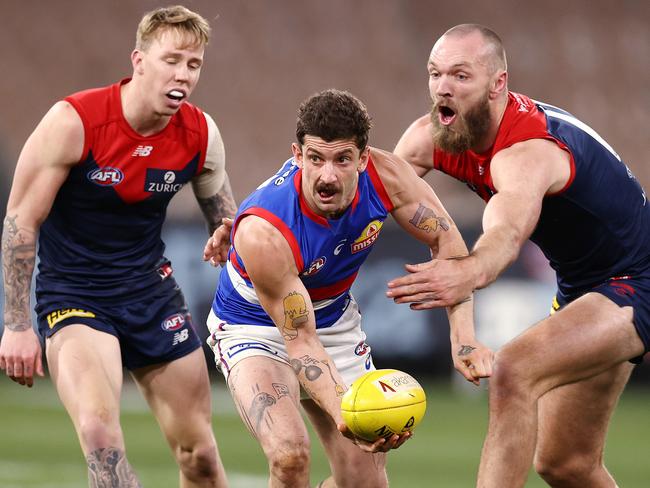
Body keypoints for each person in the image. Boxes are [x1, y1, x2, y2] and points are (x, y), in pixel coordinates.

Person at [388, 23, 650, 487]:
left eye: (461, 76)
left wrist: (466, 273)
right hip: (585, 289)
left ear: (498, 84)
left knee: (513, 369)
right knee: (566, 464)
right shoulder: (431, 137)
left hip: (639, 279)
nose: (443, 87)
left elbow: (504, 237)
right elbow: (365, 198)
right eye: (435, 73)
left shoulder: (527, 152)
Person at [202, 89, 492, 487]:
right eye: (316, 158)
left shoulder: (387, 177)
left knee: (364, 484)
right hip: (254, 328)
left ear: (364, 158)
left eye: (342, 160)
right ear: (297, 155)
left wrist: (463, 337)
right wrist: (349, 416)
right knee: (290, 455)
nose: (328, 175)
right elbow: (300, 341)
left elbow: (448, 245)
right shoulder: (264, 232)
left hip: (333, 321)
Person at [0, 5, 236, 487]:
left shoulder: (200, 134)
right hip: (75, 296)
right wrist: (16, 325)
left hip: (150, 294)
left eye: (194, 65)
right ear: (139, 60)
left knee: (201, 457)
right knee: (100, 438)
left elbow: (227, 225)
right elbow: (21, 222)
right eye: (172, 60)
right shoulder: (75, 121)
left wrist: (232, 236)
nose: (184, 75)